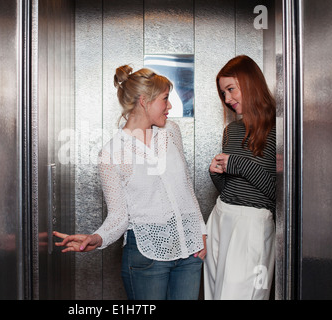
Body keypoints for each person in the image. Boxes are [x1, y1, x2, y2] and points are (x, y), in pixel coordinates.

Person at [54, 65, 207, 300]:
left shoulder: (172, 131)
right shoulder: (112, 153)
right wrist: (97, 238)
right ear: (144, 100)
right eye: (165, 99)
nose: (170, 106)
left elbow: (186, 188)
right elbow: (119, 216)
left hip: (190, 252)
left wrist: (201, 233)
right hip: (148, 258)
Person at [204, 55, 276, 300]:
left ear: (250, 83)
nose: (227, 99)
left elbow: (278, 194)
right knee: (215, 294)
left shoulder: (279, 127)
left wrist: (238, 164)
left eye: (231, 89)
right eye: (223, 93)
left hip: (252, 224)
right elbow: (231, 188)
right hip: (221, 216)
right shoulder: (231, 130)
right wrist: (217, 176)